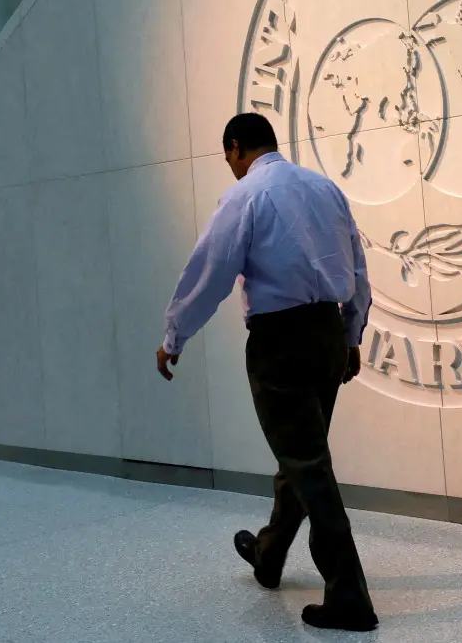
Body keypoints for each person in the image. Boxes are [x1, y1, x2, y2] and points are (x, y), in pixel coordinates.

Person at [155, 113, 378, 632]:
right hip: (327, 334)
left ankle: (349, 594)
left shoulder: (245, 196)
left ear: (235, 148)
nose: (230, 167)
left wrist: (173, 338)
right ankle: (269, 553)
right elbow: (358, 268)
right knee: (301, 456)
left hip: (281, 342)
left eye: (227, 157)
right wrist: (351, 336)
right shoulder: (326, 190)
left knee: (307, 463)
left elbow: (208, 273)